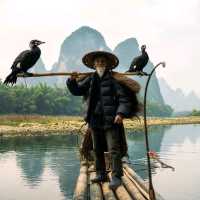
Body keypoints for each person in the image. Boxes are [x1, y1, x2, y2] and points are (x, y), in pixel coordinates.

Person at [67, 51, 140, 190]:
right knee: (97, 148)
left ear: (107, 64)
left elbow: (124, 99)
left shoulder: (113, 80)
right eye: (98, 61)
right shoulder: (90, 79)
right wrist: (71, 81)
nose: (100, 63)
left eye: (102, 61)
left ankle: (117, 176)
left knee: (114, 149)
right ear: (94, 65)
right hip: (94, 120)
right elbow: (77, 90)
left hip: (111, 120)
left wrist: (120, 113)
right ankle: (101, 173)